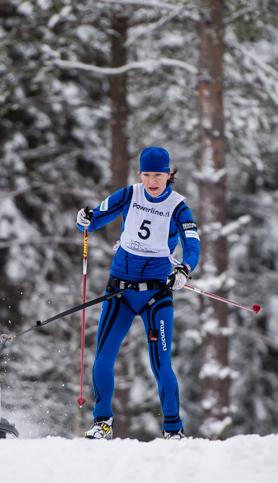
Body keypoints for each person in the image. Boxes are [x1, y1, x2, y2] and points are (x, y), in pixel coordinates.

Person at [76, 147, 201, 440]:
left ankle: (173, 429)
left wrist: (183, 269)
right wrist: (84, 217)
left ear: (169, 174)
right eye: (146, 174)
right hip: (119, 291)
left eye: (158, 174)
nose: (152, 180)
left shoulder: (178, 206)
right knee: (103, 358)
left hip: (156, 294)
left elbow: (193, 244)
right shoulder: (129, 194)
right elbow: (93, 220)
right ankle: (102, 422)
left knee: (161, 364)